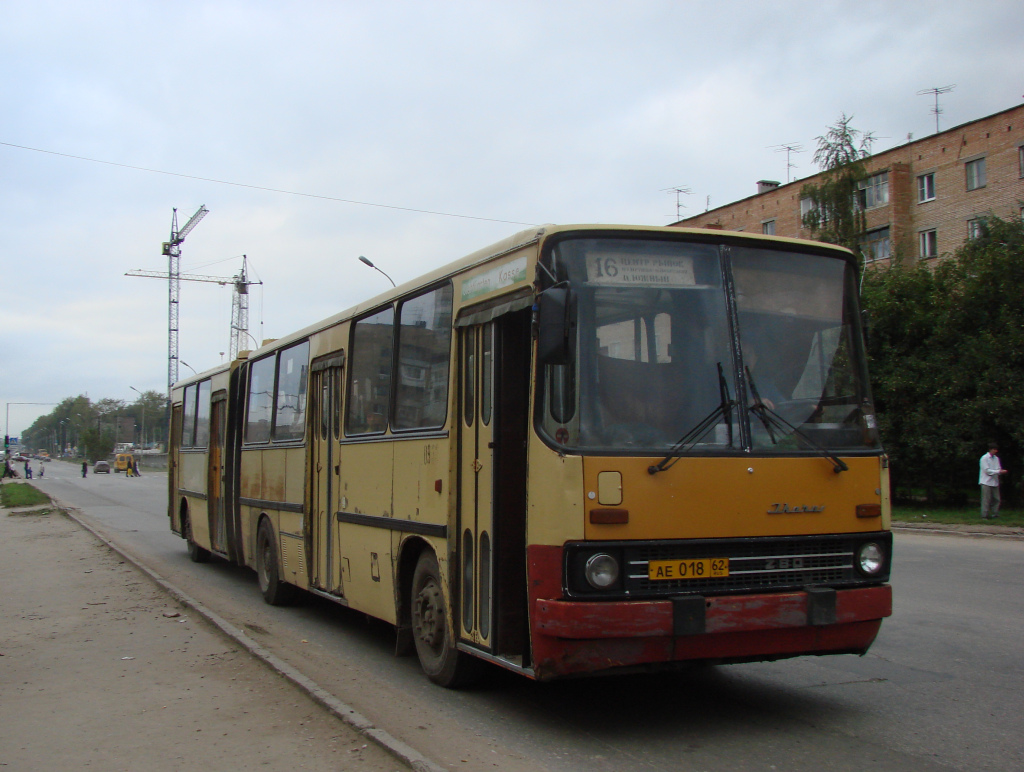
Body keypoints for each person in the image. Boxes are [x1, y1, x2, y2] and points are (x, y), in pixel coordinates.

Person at [979, 443, 1007, 519]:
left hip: (994, 482)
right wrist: (998, 472)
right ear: (990, 449)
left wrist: (1000, 471)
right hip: (986, 482)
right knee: (986, 499)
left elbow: (998, 468)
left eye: (996, 449)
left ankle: (995, 514)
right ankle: (984, 515)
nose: (995, 451)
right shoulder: (984, 458)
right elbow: (987, 471)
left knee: (996, 499)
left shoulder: (996, 458)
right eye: (994, 449)